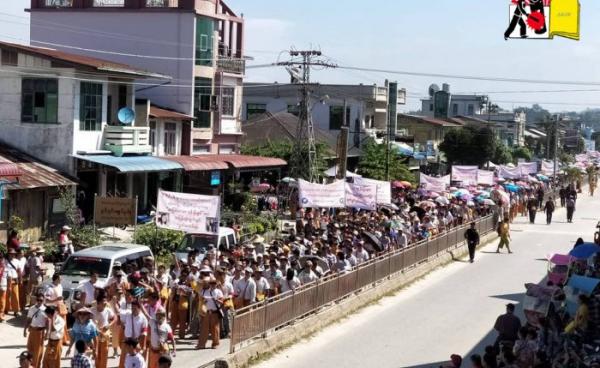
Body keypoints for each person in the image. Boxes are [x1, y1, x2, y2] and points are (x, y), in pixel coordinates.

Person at [197, 276, 223, 350]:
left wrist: (216, 300)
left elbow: (222, 302)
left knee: (215, 329)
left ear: (216, 284)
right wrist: (204, 300)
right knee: (204, 329)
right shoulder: (205, 291)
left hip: (214, 312)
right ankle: (201, 344)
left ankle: (215, 343)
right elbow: (200, 299)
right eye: (211, 283)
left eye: (214, 283)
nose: (212, 285)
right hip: (206, 312)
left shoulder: (218, 291)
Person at [92, 293, 116, 368]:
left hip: (105, 334)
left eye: (106, 301)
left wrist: (109, 325)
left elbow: (115, 317)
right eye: (103, 301)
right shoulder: (92, 311)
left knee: (104, 353)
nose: (105, 303)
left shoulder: (108, 310)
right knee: (96, 353)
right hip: (95, 334)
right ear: (98, 303)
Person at [24, 293, 47, 368]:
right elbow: (28, 320)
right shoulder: (32, 308)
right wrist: (25, 329)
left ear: (43, 300)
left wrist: (47, 333)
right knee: (30, 350)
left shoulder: (45, 310)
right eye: (38, 300)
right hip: (32, 331)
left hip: (40, 332)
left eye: (41, 300)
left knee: (38, 352)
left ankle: (36, 366)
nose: (39, 302)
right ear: (36, 300)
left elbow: (48, 323)